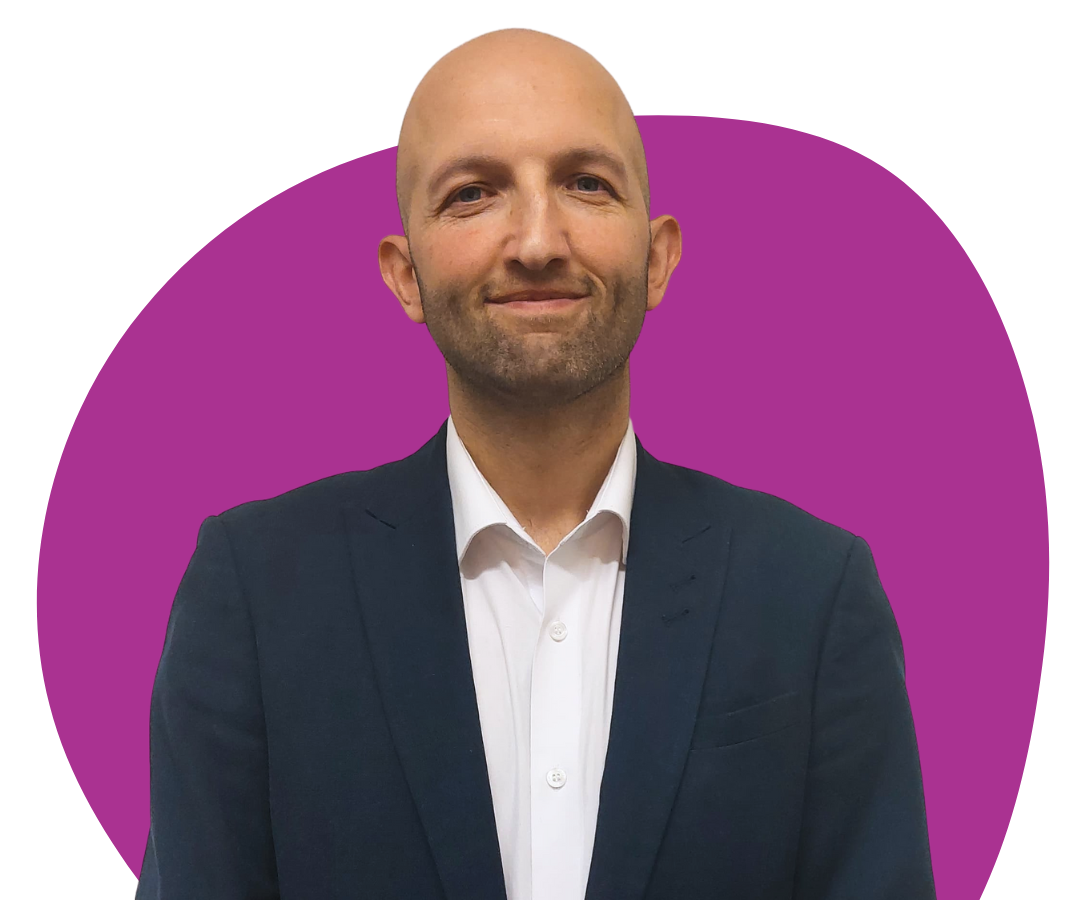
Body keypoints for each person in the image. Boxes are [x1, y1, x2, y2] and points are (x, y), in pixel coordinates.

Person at [136, 27, 936, 900]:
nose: (537, 241)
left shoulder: (813, 592)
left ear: (657, 254)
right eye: (474, 193)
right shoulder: (255, 590)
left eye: (585, 184)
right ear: (404, 275)